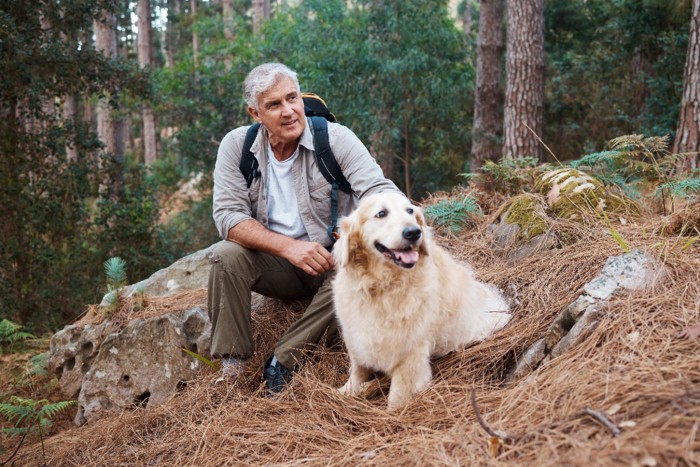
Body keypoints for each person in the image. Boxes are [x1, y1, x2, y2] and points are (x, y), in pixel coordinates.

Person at [207, 62, 402, 393]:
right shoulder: (237, 146)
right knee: (225, 255)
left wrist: (356, 227)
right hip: (280, 265)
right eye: (274, 105)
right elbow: (227, 216)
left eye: (292, 98)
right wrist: (288, 247)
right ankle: (233, 369)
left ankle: (283, 361)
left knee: (358, 266)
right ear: (255, 113)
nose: (288, 111)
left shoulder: (335, 139)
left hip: (333, 262)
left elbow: (382, 192)